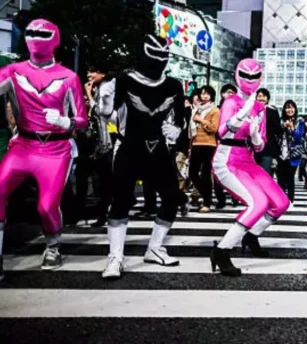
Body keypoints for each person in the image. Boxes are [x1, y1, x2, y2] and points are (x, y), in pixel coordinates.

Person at [0, 19, 88, 277]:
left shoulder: (69, 77)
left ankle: (53, 245)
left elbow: (82, 120)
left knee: (47, 205)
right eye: (31, 33)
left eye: (42, 33)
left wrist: (65, 121)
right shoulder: (13, 71)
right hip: (23, 145)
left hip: (56, 149)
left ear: (55, 39)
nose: (35, 37)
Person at [101, 35, 186, 280]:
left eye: (163, 54)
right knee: (121, 199)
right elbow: (111, 115)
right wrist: (105, 104)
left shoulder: (173, 85)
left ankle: (155, 248)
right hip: (130, 146)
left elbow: (179, 117)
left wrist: (178, 130)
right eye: (154, 53)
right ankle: (115, 256)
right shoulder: (125, 80)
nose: (158, 59)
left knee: (171, 198)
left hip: (158, 148)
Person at [210, 58, 290, 276]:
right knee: (258, 203)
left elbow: (260, 145)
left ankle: (250, 235)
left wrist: (255, 135)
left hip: (248, 160)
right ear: (237, 75)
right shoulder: (230, 102)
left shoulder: (260, 108)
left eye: (255, 76)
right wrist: (240, 115)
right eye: (245, 75)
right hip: (227, 160)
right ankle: (222, 250)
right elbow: (222, 133)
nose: (250, 80)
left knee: (281, 203)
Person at [78, 64, 117, 228]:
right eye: (88, 71)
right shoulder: (94, 89)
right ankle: (83, 212)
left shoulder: (108, 89)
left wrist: (89, 94)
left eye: (93, 71)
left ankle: (103, 213)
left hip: (107, 139)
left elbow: (102, 111)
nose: (89, 75)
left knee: (103, 179)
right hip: (89, 141)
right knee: (83, 177)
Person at [188, 85, 220, 213]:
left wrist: (201, 120)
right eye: (202, 94)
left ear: (212, 96)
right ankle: (207, 196)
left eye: (207, 94)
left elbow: (213, 129)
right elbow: (191, 129)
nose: (204, 96)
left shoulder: (215, 110)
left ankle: (207, 202)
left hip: (208, 144)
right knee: (192, 173)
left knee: (206, 173)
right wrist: (190, 147)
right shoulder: (196, 109)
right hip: (196, 144)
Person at [277, 100, 305, 202]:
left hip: (294, 155)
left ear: (295, 109)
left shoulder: (300, 121)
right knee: (280, 178)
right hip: (281, 153)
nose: (290, 110)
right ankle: (281, 199)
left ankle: (290, 199)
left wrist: (292, 127)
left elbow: (298, 137)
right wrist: (283, 126)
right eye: (288, 108)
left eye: (292, 108)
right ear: (284, 109)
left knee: (290, 178)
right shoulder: (280, 121)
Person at [254, 88, 281, 176]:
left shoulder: (273, 112)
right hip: (253, 147)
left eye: (264, 96)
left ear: (267, 99)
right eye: (259, 96)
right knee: (254, 174)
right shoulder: (252, 111)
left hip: (267, 148)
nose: (261, 98)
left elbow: (278, 129)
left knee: (265, 173)